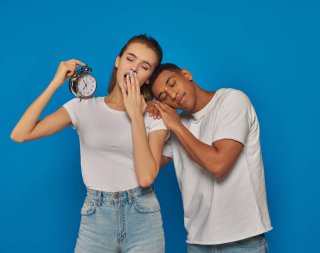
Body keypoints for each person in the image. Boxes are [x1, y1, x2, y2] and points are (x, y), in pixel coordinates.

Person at [10, 34, 168, 253]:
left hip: (143, 215)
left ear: (149, 77)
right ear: (118, 61)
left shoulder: (153, 116)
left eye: (144, 66)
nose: (133, 69)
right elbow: (20, 134)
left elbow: (146, 177)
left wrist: (136, 116)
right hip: (96, 215)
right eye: (130, 59)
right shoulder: (83, 107)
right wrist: (55, 83)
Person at [147, 63, 272, 253]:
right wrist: (147, 113)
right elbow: (149, 167)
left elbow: (218, 165)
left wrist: (177, 126)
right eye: (164, 97)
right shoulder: (176, 127)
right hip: (198, 243)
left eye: (172, 84)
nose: (172, 95)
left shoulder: (232, 100)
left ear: (186, 74)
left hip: (242, 241)